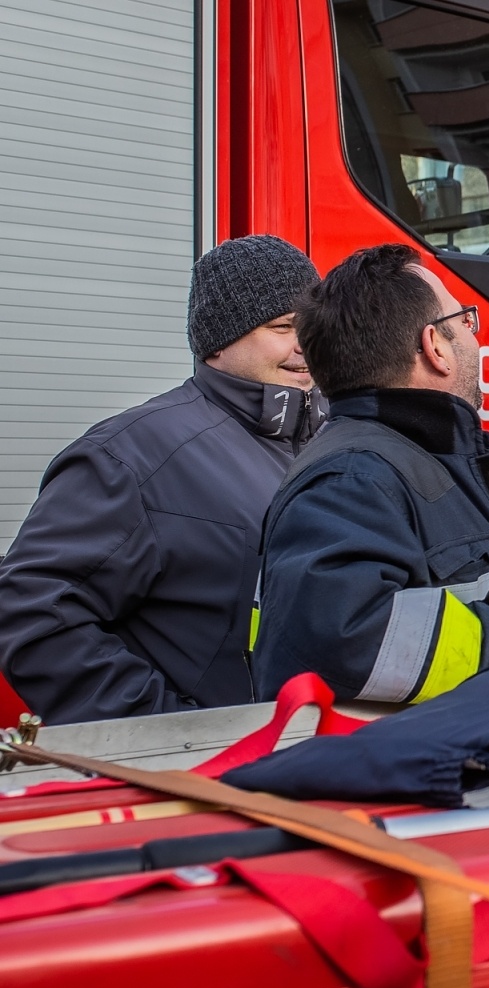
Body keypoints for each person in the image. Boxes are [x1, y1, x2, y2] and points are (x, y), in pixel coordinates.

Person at [251, 244, 489, 704]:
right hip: (412, 769)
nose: (476, 339)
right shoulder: (350, 481)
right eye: (465, 321)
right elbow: (349, 639)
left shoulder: (470, 463)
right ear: (435, 346)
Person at [0, 235, 326, 723]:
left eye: (313, 327)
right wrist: (159, 725)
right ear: (220, 340)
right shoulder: (133, 455)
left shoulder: (337, 440)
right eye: (282, 326)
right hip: (210, 770)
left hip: (319, 758)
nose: (304, 346)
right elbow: (31, 606)